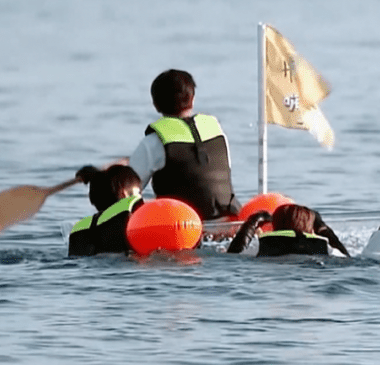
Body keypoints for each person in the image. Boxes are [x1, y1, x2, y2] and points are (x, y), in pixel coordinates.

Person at [129, 69, 241, 221]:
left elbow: (128, 192)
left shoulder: (153, 142)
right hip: (230, 220)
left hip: (183, 227)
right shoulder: (216, 130)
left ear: (155, 104)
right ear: (192, 99)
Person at [68, 164, 146, 257]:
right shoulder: (132, 215)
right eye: (139, 192)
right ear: (123, 194)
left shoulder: (81, 232)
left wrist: (95, 177)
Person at [226, 203, 349, 257]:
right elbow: (346, 258)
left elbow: (233, 256)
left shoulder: (261, 246)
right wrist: (322, 227)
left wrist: (253, 222)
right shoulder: (325, 248)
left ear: (275, 225)